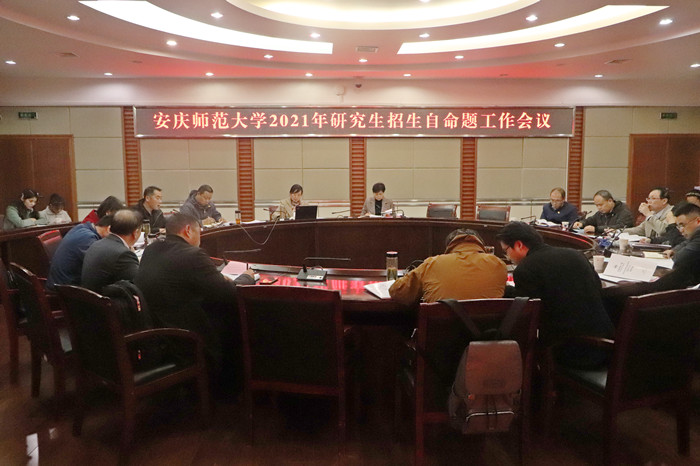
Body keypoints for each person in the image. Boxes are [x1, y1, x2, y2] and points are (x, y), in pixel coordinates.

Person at [134, 213, 255, 378]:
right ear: (188, 230)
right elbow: (229, 293)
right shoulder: (193, 255)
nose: (201, 238)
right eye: (199, 232)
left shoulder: (151, 250)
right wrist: (247, 277)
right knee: (235, 320)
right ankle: (230, 384)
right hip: (186, 340)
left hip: (156, 335)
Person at [497, 222, 614, 369]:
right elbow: (597, 287)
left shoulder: (526, 268)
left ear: (519, 245)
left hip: (571, 351)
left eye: (506, 251)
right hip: (607, 344)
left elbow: (529, 315)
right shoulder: (575, 254)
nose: (507, 256)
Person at [389, 229, 507, 306]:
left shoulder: (433, 263)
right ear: (480, 245)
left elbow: (398, 292)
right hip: (485, 336)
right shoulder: (498, 265)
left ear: (450, 246)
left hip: (441, 336)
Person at [81, 209, 142, 292]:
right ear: (135, 233)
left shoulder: (96, 244)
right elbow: (139, 283)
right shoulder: (123, 254)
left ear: (110, 228)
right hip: (106, 298)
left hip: (88, 296)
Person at [46, 215, 111, 290]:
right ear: (109, 229)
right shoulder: (87, 238)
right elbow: (99, 268)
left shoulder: (82, 227)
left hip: (61, 283)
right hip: (63, 290)